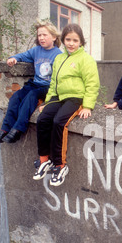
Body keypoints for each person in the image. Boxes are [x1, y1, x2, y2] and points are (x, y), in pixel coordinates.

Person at [33, 24, 100, 186]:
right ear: (63, 40)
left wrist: (87, 106)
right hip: (58, 97)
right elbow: (54, 82)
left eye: (75, 40)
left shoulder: (86, 59)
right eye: (68, 39)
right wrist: (48, 102)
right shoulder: (59, 58)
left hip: (76, 98)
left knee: (59, 122)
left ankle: (60, 165)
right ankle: (44, 160)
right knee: (42, 119)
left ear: (81, 42)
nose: (71, 43)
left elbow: (92, 84)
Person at [0, 20, 62, 144]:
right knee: (16, 97)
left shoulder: (58, 55)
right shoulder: (36, 50)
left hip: (48, 86)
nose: (41, 38)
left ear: (54, 37)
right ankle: (5, 129)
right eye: (39, 35)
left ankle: (18, 130)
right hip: (35, 83)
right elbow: (22, 56)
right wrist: (13, 58)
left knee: (30, 97)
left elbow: (59, 78)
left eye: (45, 35)